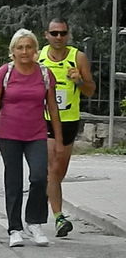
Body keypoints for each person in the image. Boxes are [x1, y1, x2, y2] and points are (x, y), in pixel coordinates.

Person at [0, 29, 64, 248]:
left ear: (35, 50)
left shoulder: (45, 74)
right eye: (20, 47)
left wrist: (57, 139)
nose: (25, 51)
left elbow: (53, 109)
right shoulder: (5, 72)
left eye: (29, 47)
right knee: (14, 181)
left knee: (39, 177)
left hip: (36, 133)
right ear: (13, 51)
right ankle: (14, 228)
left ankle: (35, 222)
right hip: (9, 134)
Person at [39, 18, 96, 237]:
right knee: (53, 167)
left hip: (69, 120)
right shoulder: (40, 57)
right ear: (47, 35)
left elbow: (91, 90)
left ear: (68, 35)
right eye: (54, 33)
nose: (59, 37)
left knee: (59, 171)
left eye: (63, 33)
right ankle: (59, 218)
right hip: (44, 119)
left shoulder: (77, 57)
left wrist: (79, 81)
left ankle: (44, 193)